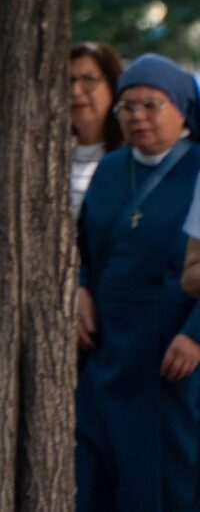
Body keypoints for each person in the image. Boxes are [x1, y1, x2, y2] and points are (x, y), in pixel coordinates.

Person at [75, 53, 200, 511]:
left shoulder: (198, 168)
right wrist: (80, 289)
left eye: (151, 104)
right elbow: (83, 247)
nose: (138, 117)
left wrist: (195, 335)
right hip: (110, 346)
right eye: (127, 107)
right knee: (98, 468)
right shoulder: (112, 168)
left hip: (173, 352)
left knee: (169, 475)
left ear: (183, 108)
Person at [68, 42, 124, 219]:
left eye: (88, 80)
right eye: (69, 81)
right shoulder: (49, 153)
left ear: (112, 85)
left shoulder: (128, 156)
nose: (76, 91)